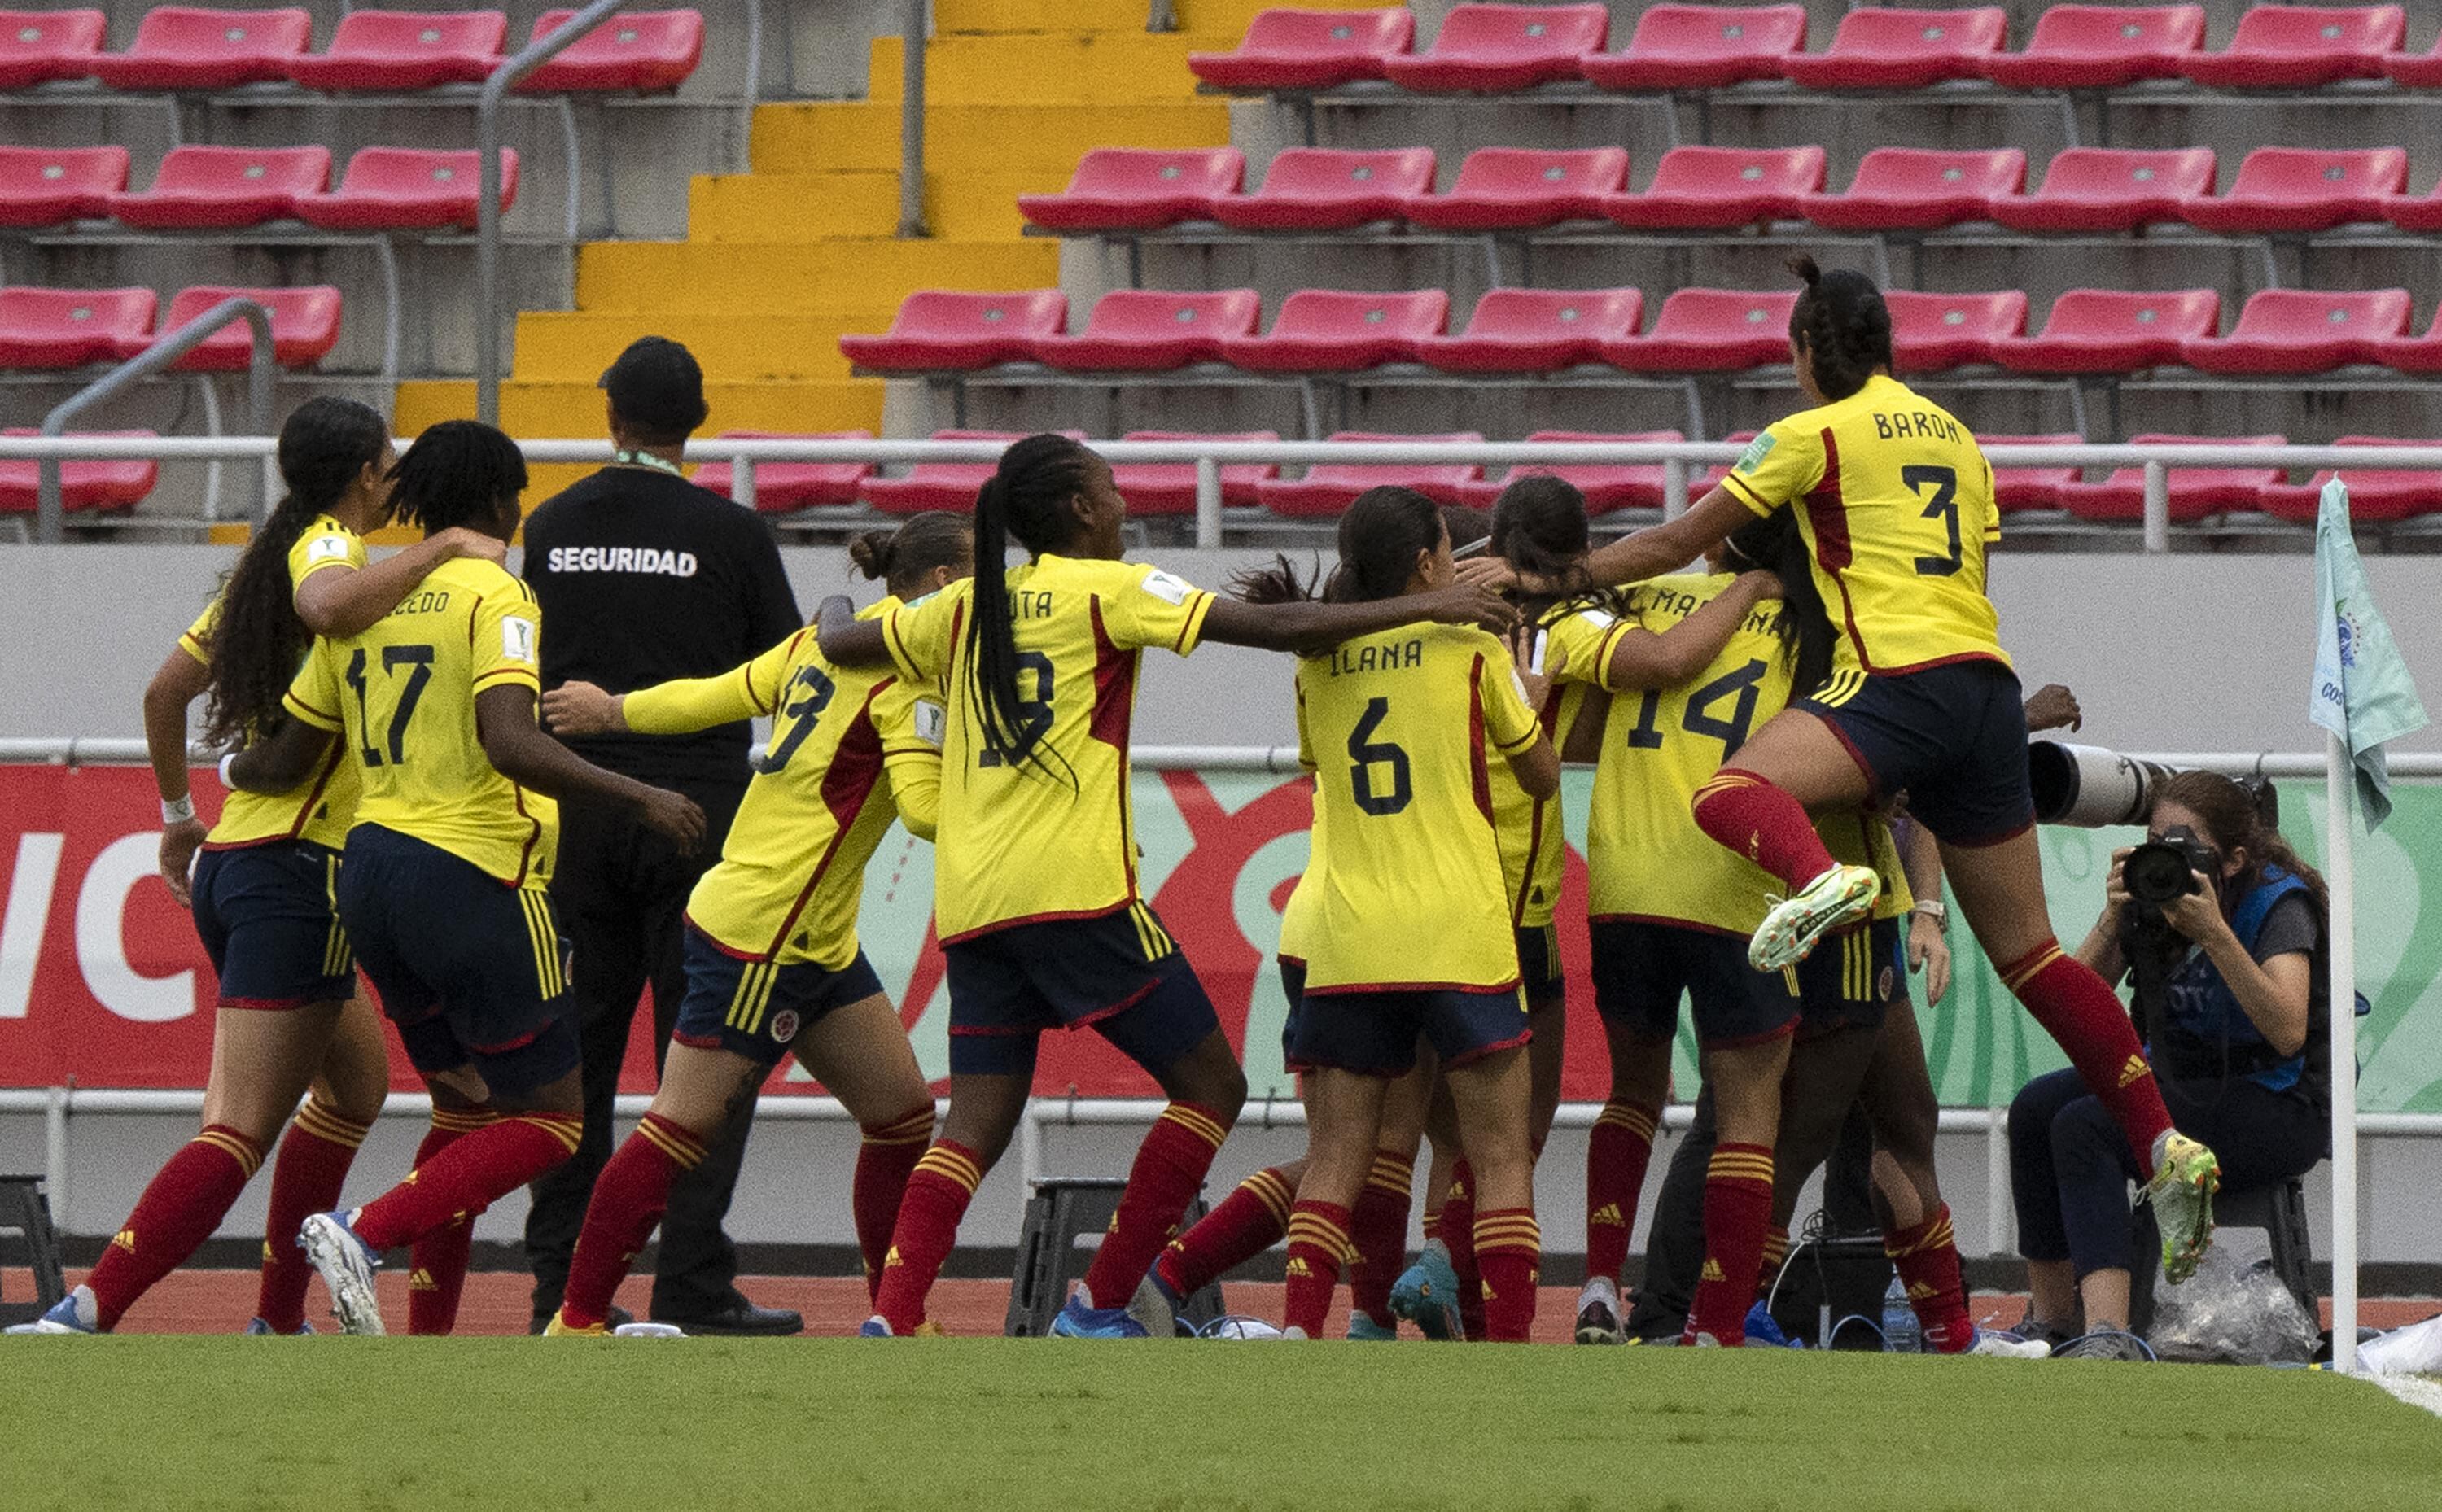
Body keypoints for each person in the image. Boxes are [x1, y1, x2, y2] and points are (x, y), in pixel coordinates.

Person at [1460, 255, 2222, 1282]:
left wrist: (1551, 576)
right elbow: (1968, 582)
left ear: (1807, 350)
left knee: (1734, 790)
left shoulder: (1809, 434)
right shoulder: (1959, 439)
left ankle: (1821, 878)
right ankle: (2163, 1143)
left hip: (1892, 686)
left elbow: (1688, 537)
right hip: (1986, 688)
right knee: (2036, 955)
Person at [815, 434, 1516, 1339]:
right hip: (1078, 892)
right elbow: (1278, 631)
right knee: (1211, 1085)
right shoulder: (1108, 589)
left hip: (976, 900)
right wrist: (1441, 604)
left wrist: (834, 596)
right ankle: (1099, 1305)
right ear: (1079, 510)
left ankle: (893, 1316)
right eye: (1109, 490)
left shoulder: (960, 606)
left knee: (977, 1120)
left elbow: (839, 642)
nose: (1122, 506)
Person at [7, 399, 501, 1338]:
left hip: (241, 859)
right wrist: (440, 550)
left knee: (356, 1088)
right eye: (388, 460)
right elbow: (328, 601)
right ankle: (86, 1308)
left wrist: (177, 816)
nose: (395, 474)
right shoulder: (328, 552)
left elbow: (163, 692)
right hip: (297, 877)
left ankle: (277, 1321)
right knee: (236, 1129)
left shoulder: (261, 570)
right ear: (364, 474)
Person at [221, 420, 705, 1335]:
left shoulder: (370, 597)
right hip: (474, 875)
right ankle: (363, 1232)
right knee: (554, 1120)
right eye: (515, 499)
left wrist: (227, 775)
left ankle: (430, 1337)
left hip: (368, 876)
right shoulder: (495, 591)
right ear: (496, 501)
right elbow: (510, 739)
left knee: (469, 1106)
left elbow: (285, 758)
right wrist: (640, 794)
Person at [535, 516, 970, 1335]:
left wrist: (613, 710)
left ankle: (896, 1317)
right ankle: (579, 1319)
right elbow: (920, 810)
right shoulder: (908, 682)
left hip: (813, 936)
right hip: (765, 933)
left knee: (903, 1113)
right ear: (947, 584)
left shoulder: (818, 645)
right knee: (679, 1125)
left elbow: (716, 694)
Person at [519, 335, 806, 1336]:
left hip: (580, 816)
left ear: (610, 417)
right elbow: (785, 674)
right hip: (701, 823)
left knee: (575, 1064)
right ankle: (691, 1282)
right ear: (698, 420)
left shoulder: (549, 527)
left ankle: (560, 1291)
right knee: (708, 1058)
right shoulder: (731, 531)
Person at [1255, 488, 1556, 1341]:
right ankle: (1509, 1348)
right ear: (1429, 563)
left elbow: (1321, 767)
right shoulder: (1469, 647)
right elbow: (1537, 776)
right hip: (1459, 930)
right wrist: (1530, 698)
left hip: (1351, 938)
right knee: (1497, 1152)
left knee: (1339, 1156)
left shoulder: (1315, 658)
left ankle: (1297, 1331)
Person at [2011, 771, 2331, 1361]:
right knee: (2035, 1109)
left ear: (2232, 860)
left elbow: (2287, 1031)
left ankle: (2109, 1336)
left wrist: (2214, 934)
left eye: (2185, 849)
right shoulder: (2148, 897)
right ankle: (2051, 1323)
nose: (2169, 861)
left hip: (2276, 1103)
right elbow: (2068, 1009)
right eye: (2157, 844)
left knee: (2087, 1126)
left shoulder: (2278, 900)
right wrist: (2113, 918)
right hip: (2178, 1081)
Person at [1390, 479, 1591, 1342]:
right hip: (1512, 908)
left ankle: (1441, 1304)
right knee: (1513, 1138)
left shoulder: (1406, 645)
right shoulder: (1540, 646)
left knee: (1421, 1141)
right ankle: (1441, 1268)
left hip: (1409, 914)